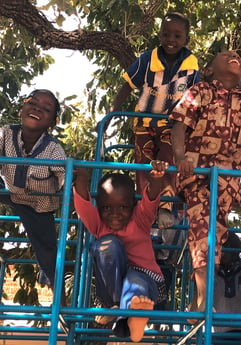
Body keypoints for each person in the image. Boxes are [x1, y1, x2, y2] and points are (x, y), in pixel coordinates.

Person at [169, 50, 241, 315]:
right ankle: (204, 295)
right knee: (204, 223)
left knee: (212, 232)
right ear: (210, 69)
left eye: (238, 56)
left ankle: (199, 297)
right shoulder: (200, 90)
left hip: (228, 180)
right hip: (197, 173)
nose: (234, 56)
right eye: (226, 55)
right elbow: (179, 123)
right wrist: (180, 158)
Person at [110, 12, 200, 229]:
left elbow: (195, 98)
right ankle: (146, 209)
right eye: (166, 34)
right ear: (159, 35)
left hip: (171, 125)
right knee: (143, 165)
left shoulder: (191, 65)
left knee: (169, 162)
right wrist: (111, 111)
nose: (171, 39)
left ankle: (165, 208)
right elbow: (127, 85)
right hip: (144, 122)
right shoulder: (147, 59)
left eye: (177, 36)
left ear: (186, 39)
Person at [72, 160, 169, 342]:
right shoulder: (99, 224)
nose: (115, 213)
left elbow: (150, 200)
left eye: (123, 207)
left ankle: (133, 320)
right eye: (107, 208)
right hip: (111, 289)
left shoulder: (140, 219)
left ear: (133, 205)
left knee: (135, 283)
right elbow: (83, 205)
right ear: (99, 207)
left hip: (146, 280)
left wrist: (155, 179)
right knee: (107, 245)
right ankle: (121, 309)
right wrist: (82, 178)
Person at [0, 89, 66, 294]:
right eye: (32, 102)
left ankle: (59, 303)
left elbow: (64, 177)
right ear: (21, 109)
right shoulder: (6, 133)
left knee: (48, 252)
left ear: (52, 122)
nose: (37, 108)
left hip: (39, 206)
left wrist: (71, 189)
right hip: (10, 192)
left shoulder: (54, 150)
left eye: (46, 109)